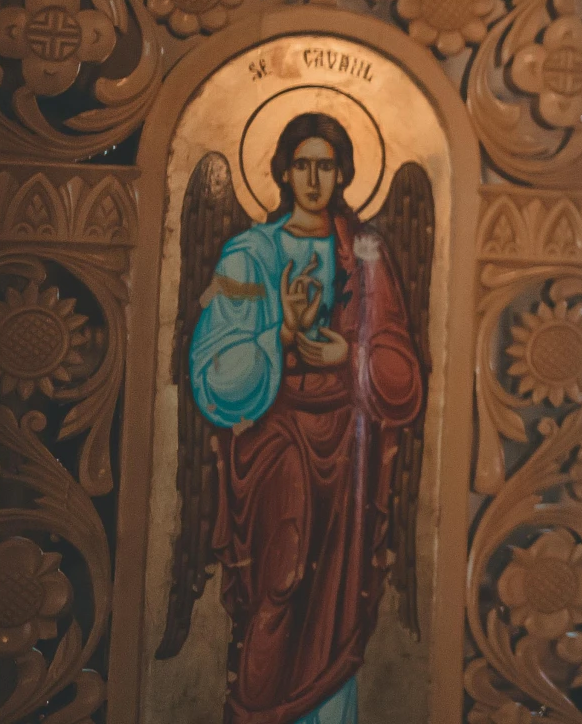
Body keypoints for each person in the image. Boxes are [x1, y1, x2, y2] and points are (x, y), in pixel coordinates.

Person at [185, 113, 425, 724]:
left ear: (343, 172)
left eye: (326, 165)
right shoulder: (251, 253)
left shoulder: (365, 254)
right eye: (302, 164)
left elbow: (403, 372)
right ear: (282, 171)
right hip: (276, 441)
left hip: (348, 448)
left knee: (339, 602)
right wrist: (282, 333)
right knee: (281, 581)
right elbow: (214, 371)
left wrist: (355, 354)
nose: (314, 178)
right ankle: (257, 712)